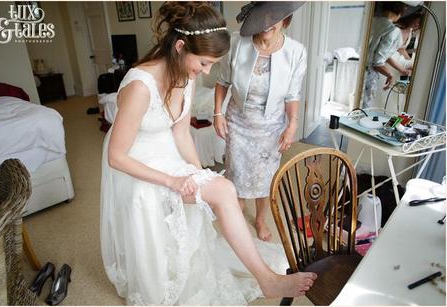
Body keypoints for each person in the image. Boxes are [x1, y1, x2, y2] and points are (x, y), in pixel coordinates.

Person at [100, 2, 316, 305]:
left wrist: (199, 171)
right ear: (179, 47)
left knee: (220, 188)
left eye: (212, 64)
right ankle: (267, 280)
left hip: (166, 154)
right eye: (203, 63)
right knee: (225, 190)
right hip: (137, 165)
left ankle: (266, 277)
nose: (207, 71)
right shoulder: (140, 86)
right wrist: (172, 181)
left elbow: (180, 131)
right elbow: (116, 157)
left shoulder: (184, 76)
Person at [213, 2, 307, 242]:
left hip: (271, 128)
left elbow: (292, 94)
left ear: (285, 20)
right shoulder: (236, 42)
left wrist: (292, 125)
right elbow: (223, 81)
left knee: (265, 178)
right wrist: (217, 114)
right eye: (262, 16)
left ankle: (260, 219)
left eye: (273, 17)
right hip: (238, 123)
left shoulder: (296, 52)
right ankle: (236, 213)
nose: (266, 23)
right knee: (236, 173)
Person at [363, 1, 409, 108]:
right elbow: (377, 62)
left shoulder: (370, 21)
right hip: (369, 73)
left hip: (358, 68)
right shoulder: (392, 30)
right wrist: (390, 75)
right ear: (399, 14)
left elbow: (383, 55)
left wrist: (401, 69)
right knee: (364, 108)